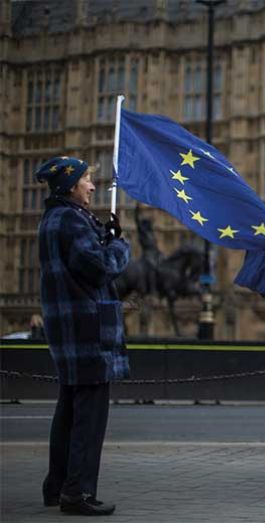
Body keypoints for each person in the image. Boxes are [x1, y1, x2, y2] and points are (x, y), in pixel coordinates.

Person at [36, 156, 130, 516]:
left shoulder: (54, 219)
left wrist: (102, 237)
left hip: (70, 330)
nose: (92, 186)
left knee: (69, 412)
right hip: (88, 330)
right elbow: (101, 268)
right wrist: (120, 246)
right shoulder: (71, 221)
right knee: (89, 420)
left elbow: (82, 262)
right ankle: (77, 493)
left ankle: (57, 486)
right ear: (71, 185)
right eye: (87, 180)